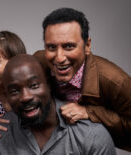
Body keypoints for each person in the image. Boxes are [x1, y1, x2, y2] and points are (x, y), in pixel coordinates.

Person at [33, 7, 131, 151]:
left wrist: (90, 112)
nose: (59, 58)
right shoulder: (38, 62)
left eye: (69, 46)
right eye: (51, 47)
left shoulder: (115, 80)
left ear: (87, 46)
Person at [0, 54, 116, 155]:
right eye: (14, 91)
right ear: (7, 96)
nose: (25, 97)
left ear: (48, 85)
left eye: (34, 85)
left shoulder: (92, 135)